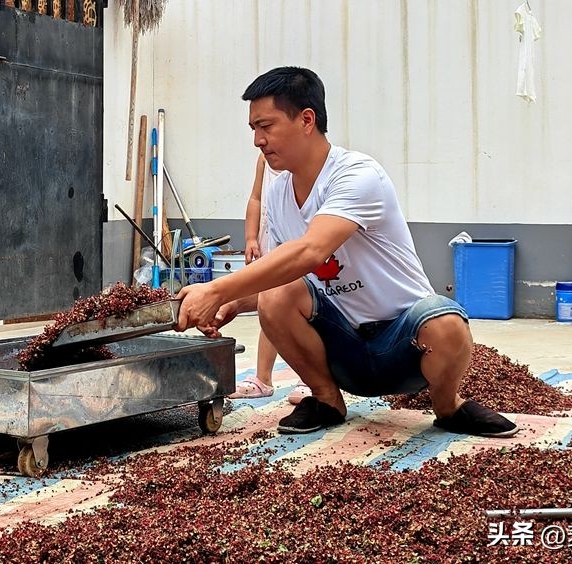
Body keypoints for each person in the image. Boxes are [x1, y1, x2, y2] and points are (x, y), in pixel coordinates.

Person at [176, 66, 518, 438]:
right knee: (277, 295)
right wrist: (234, 304)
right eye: (254, 129)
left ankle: (449, 406)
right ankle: (326, 400)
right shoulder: (278, 194)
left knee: (445, 322)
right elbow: (284, 279)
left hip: (405, 345)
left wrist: (216, 289)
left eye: (266, 126)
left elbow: (311, 251)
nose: (258, 140)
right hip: (342, 348)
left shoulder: (357, 175)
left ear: (307, 119)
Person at [229, 154, 311, 404]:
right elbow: (256, 198)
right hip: (270, 242)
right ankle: (262, 378)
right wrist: (251, 237)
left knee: (305, 312)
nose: (261, 139)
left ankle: (309, 379)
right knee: (268, 306)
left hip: (298, 245)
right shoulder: (264, 160)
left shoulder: (305, 163)